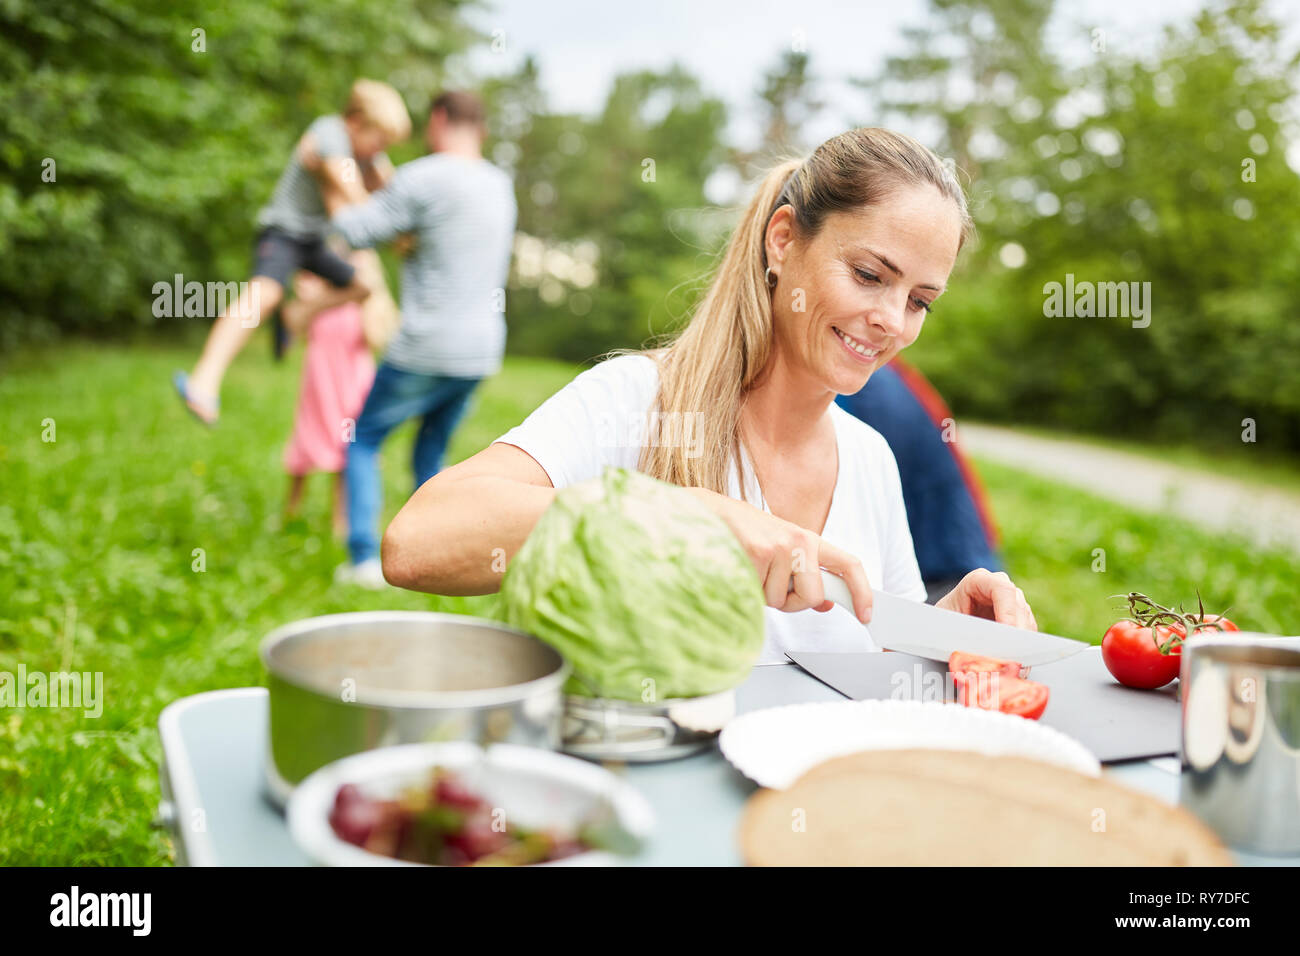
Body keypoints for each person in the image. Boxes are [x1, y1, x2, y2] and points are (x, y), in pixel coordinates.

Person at [379, 127, 1038, 663]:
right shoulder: (637, 400)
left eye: (920, 300)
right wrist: (683, 517)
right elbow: (416, 543)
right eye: (869, 275)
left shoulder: (871, 458)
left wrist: (946, 636)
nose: (893, 321)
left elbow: (877, 654)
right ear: (783, 240)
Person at [309, 91, 517, 588]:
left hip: (426, 344)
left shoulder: (424, 176)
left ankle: (362, 561)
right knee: (430, 453)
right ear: (480, 129)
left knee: (362, 441)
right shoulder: (499, 184)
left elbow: (354, 232)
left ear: (439, 118)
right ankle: (440, 558)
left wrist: (328, 175)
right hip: (480, 351)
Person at [173, 79, 411, 426]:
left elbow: (393, 193)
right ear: (358, 122)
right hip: (283, 233)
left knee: (362, 286)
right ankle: (204, 381)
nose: (380, 150)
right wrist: (391, 224)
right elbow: (354, 196)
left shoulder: (368, 155)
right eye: (380, 139)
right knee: (264, 293)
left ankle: (296, 314)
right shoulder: (330, 133)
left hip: (315, 242)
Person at [836, 357, 1002, 604]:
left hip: (942, 570)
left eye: (918, 314)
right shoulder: (879, 383)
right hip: (950, 556)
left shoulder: (860, 399)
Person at [280, 261, 379, 538]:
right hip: (320, 388)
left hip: (352, 385)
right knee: (304, 445)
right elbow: (292, 324)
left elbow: (377, 335)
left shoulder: (360, 297)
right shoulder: (312, 294)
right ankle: (290, 512)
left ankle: (340, 522)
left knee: (347, 451)